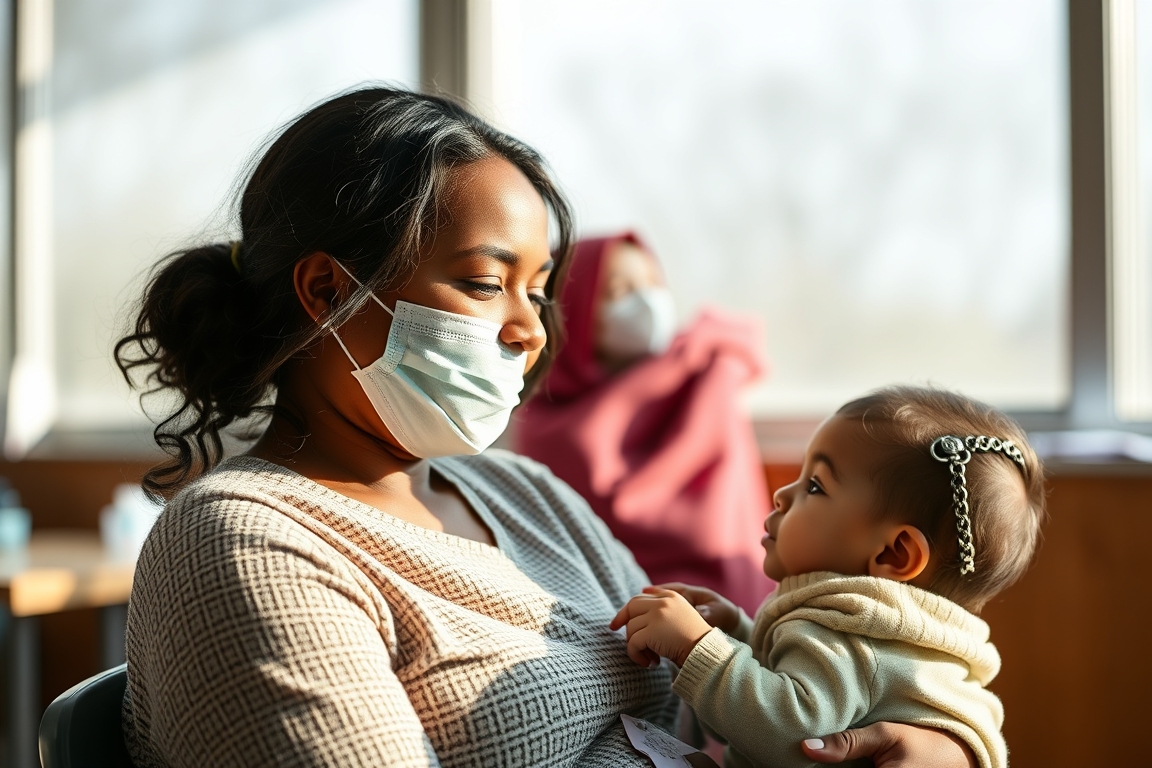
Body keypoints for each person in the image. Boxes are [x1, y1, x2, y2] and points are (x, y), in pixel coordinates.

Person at [113, 87, 976, 767]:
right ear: (329, 293)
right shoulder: (248, 545)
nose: (530, 330)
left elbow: (705, 716)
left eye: (540, 288)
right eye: (489, 283)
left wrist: (926, 738)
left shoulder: (525, 494)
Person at [612, 386, 1047, 768]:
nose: (783, 494)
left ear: (894, 553)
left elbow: (790, 740)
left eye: (815, 486)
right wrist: (735, 635)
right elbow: (763, 712)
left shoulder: (851, 631)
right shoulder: (878, 636)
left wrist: (696, 648)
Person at [513, 232, 775, 611]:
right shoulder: (542, 416)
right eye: (622, 290)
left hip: (739, 605)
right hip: (627, 617)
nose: (648, 301)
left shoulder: (701, 373)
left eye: (653, 284)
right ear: (571, 308)